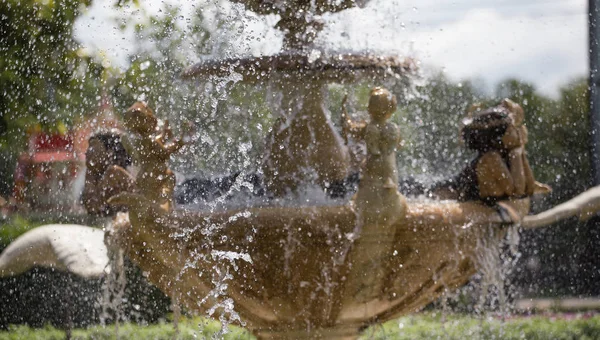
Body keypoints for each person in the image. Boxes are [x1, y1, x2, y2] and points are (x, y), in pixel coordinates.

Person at [81, 131, 135, 216]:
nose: (87, 153)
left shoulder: (115, 172)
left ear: (109, 153)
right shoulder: (93, 171)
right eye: (88, 148)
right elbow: (91, 207)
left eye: (93, 148)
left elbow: (95, 206)